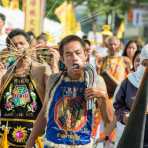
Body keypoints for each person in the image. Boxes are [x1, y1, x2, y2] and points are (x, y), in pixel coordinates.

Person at [26, 35, 113, 148]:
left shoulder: (96, 80)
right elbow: (44, 114)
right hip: (53, 144)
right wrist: (30, 141)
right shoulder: (54, 79)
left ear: (85, 55)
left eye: (78, 53)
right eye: (68, 54)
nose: (74, 58)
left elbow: (109, 120)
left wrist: (104, 97)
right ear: (62, 59)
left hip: (82, 143)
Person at [0, 29, 49, 147]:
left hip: (36, 137)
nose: (18, 47)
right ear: (9, 50)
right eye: (14, 45)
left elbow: (52, 100)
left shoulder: (42, 70)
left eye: (22, 43)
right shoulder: (6, 74)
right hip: (7, 137)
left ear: (29, 45)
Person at [113, 45, 148, 147]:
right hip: (132, 135)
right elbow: (117, 105)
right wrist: (124, 116)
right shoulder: (129, 82)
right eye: (145, 64)